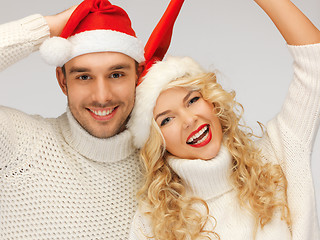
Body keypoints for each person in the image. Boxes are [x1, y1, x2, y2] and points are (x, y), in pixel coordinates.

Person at [127, 0, 320, 239]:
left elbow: (315, 59)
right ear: (155, 143)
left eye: (192, 100)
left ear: (212, 101)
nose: (189, 120)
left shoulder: (276, 156)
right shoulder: (151, 223)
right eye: (166, 120)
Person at [0, 0, 185, 238]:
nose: (102, 96)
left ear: (139, 74)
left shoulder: (164, 169)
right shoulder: (18, 145)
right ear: (63, 81)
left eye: (116, 74)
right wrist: (47, 28)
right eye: (84, 77)